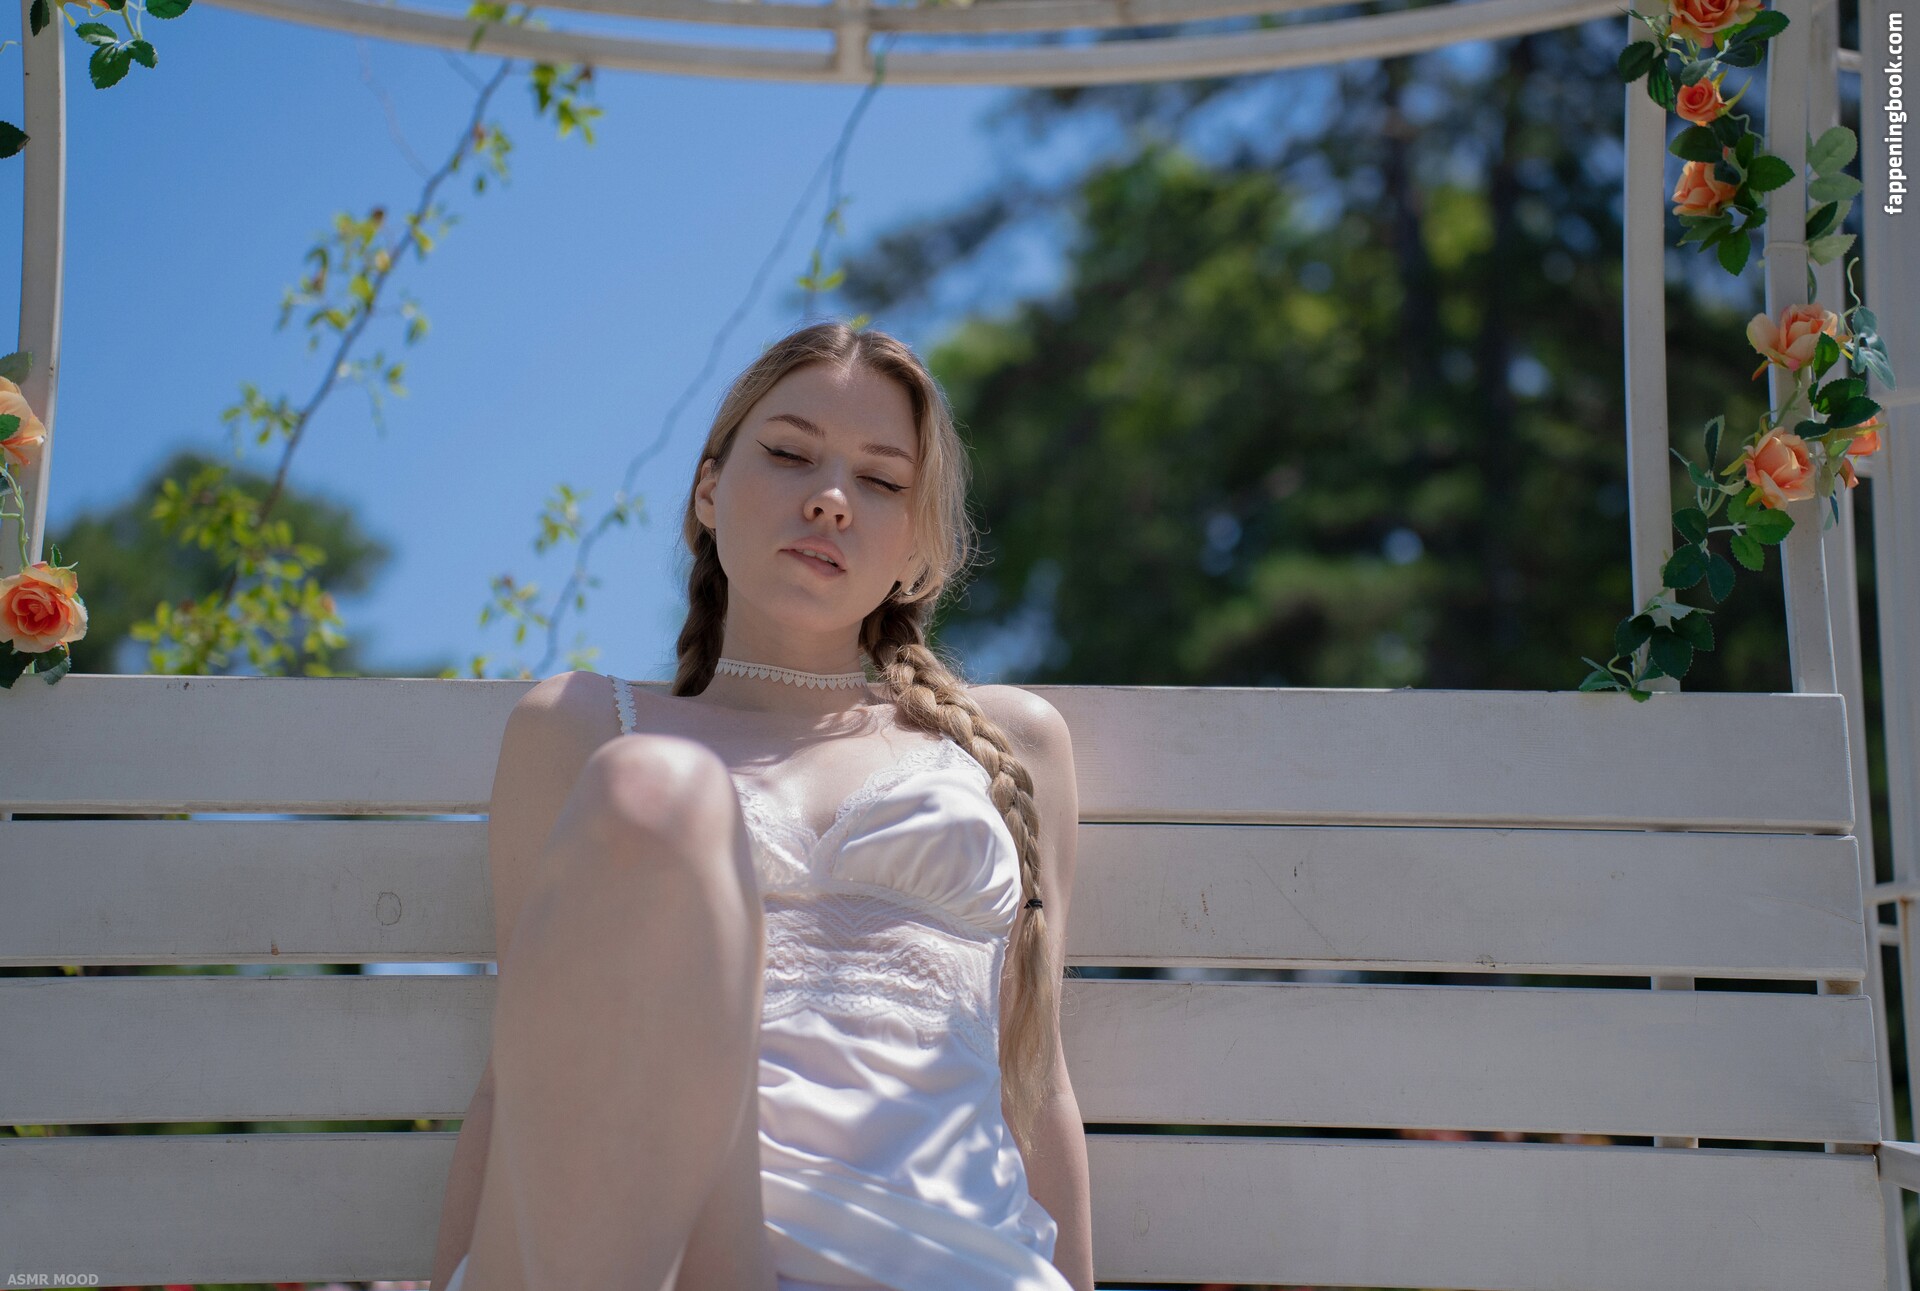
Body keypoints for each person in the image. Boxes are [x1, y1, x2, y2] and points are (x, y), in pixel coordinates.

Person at [431, 321, 1094, 1291]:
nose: (830, 499)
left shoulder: (1004, 744)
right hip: (654, 1250)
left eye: (881, 481)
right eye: (788, 455)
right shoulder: (579, 728)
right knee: (655, 789)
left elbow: (1038, 1084)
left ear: (917, 547)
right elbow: (518, 1082)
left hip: (944, 1261)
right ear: (708, 490)